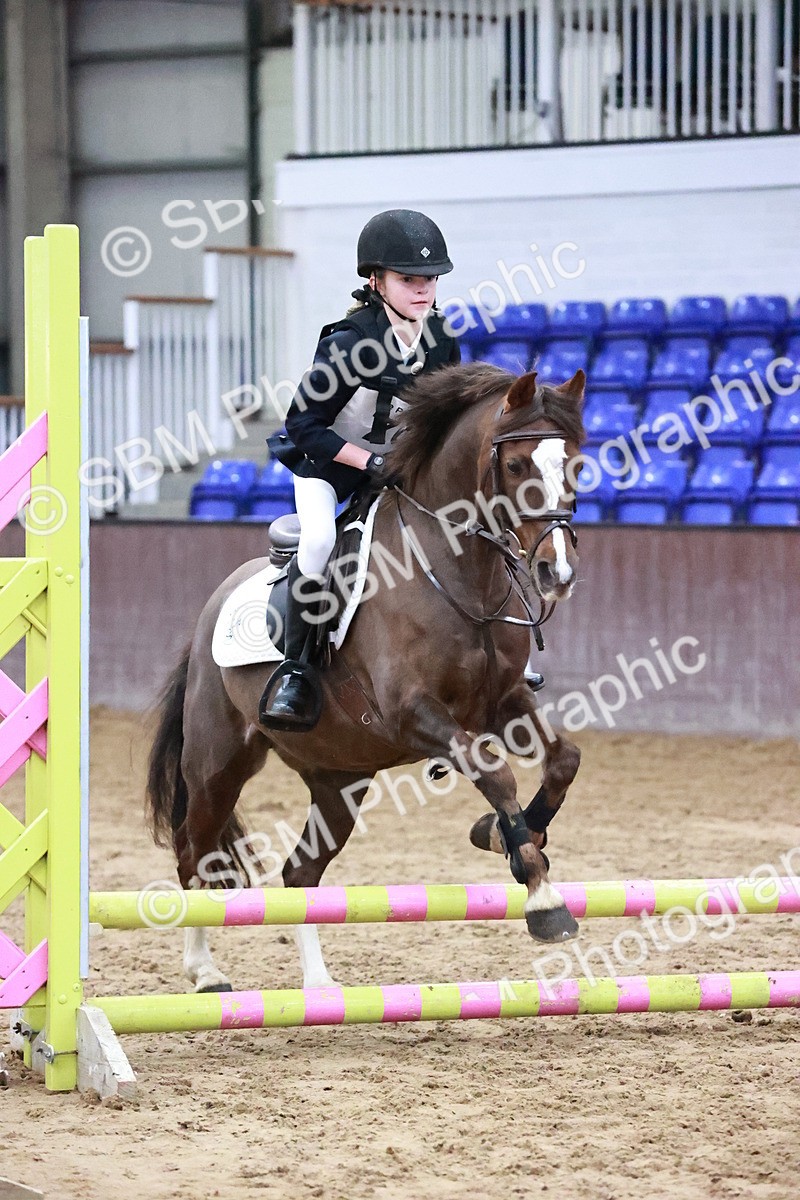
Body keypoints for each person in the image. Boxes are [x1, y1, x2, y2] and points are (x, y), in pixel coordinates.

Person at [259, 209, 461, 729]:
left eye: (429, 280)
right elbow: (303, 425)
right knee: (322, 542)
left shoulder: (441, 341)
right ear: (376, 281)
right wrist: (371, 460)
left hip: (399, 470)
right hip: (329, 466)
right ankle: (295, 670)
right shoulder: (349, 344)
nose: (422, 290)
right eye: (408, 280)